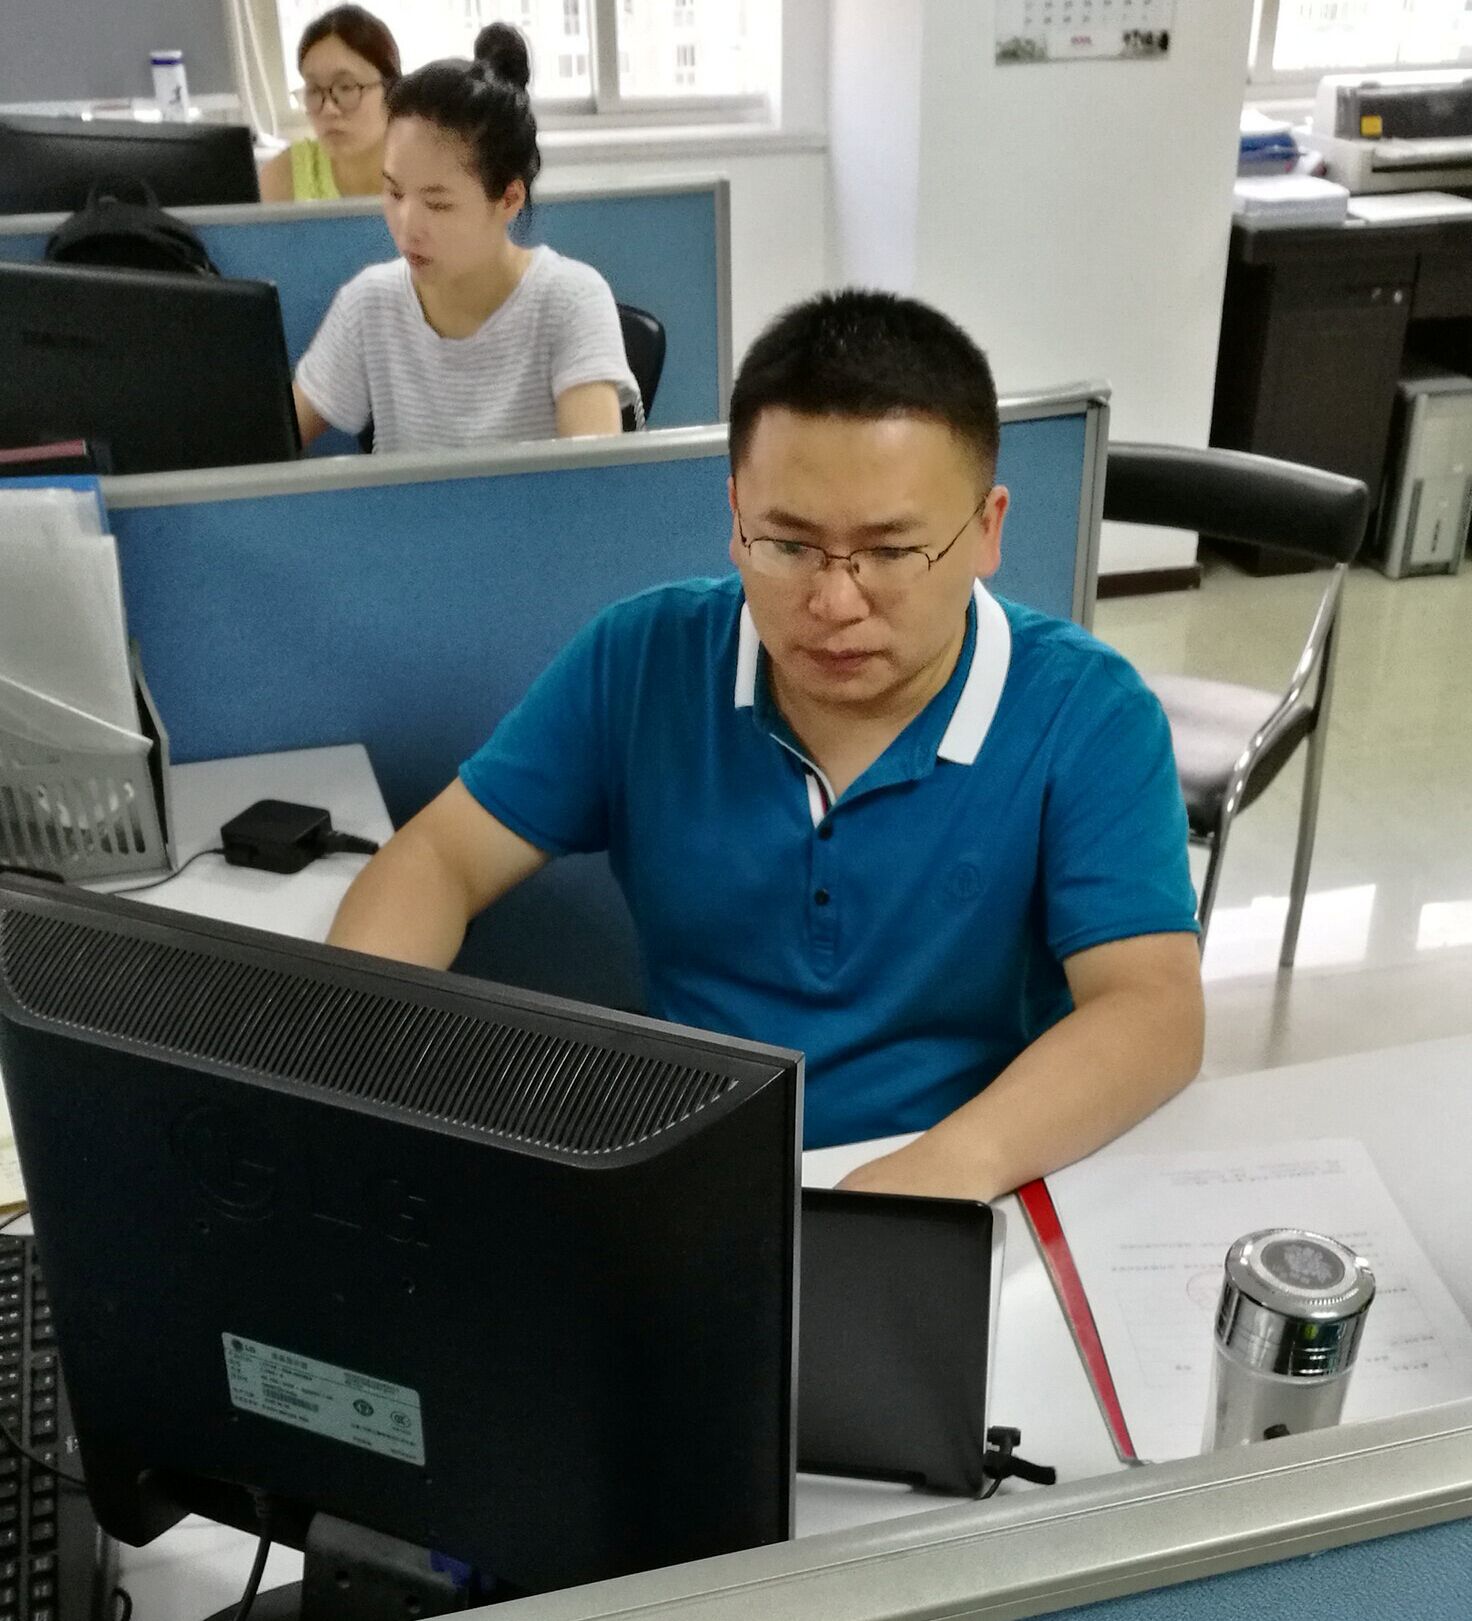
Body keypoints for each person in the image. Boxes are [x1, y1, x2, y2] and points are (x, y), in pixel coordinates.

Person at [326, 289, 1204, 1200]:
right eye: (787, 544)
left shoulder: (1086, 712)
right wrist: (346, 1054)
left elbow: (1152, 1007)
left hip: (975, 1178)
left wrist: (943, 1172)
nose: (834, 602)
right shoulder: (643, 659)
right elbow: (439, 858)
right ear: (736, 514)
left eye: (891, 552)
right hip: (691, 1169)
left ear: (987, 530)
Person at [292, 23, 638, 454]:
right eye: (394, 192)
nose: (406, 225)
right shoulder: (369, 303)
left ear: (509, 199)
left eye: (437, 204)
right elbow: (265, 448)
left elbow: (594, 478)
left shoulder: (570, 300)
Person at [258, 6, 400, 203]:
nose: (328, 109)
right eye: (314, 90)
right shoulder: (284, 176)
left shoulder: (428, 169)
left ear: (391, 91)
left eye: (346, 87)